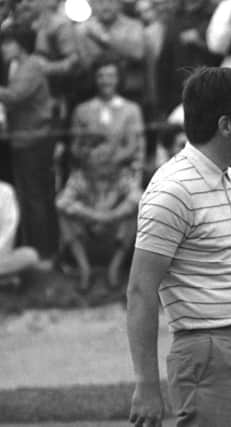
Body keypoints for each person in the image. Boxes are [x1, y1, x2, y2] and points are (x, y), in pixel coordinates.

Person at [126, 67, 231, 427]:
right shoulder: (172, 191)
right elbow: (141, 291)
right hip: (211, 353)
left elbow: (215, 264)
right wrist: (146, 386)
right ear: (226, 125)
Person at [0, 23, 58, 265]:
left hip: (35, 140)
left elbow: (15, 96)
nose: (3, 48)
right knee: (27, 195)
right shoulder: (18, 66)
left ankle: (44, 253)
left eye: (7, 43)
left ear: (20, 45)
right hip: (24, 139)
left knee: (34, 197)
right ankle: (36, 248)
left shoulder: (31, 65)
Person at [56, 140, 140, 292]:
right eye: (99, 157)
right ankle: (84, 270)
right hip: (88, 237)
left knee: (135, 213)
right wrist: (93, 215)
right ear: (89, 160)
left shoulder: (123, 177)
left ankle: (114, 269)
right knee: (65, 216)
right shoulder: (79, 178)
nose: (103, 161)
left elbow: (137, 198)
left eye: (107, 157)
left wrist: (113, 215)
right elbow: (62, 202)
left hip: (114, 237)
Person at [70, 54, 146, 183]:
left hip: (122, 176)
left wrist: (110, 162)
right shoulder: (81, 110)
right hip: (89, 176)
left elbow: (134, 147)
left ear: (118, 79)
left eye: (111, 76)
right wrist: (91, 159)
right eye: (101, 76)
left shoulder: (131, 110)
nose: (106, 81)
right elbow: (75, 147)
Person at [0, 180, 39, 287]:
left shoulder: (5, 192)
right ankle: (4, 281)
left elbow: (9, 229)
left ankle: (4, 279)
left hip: (1, 255)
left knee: (30, 255)